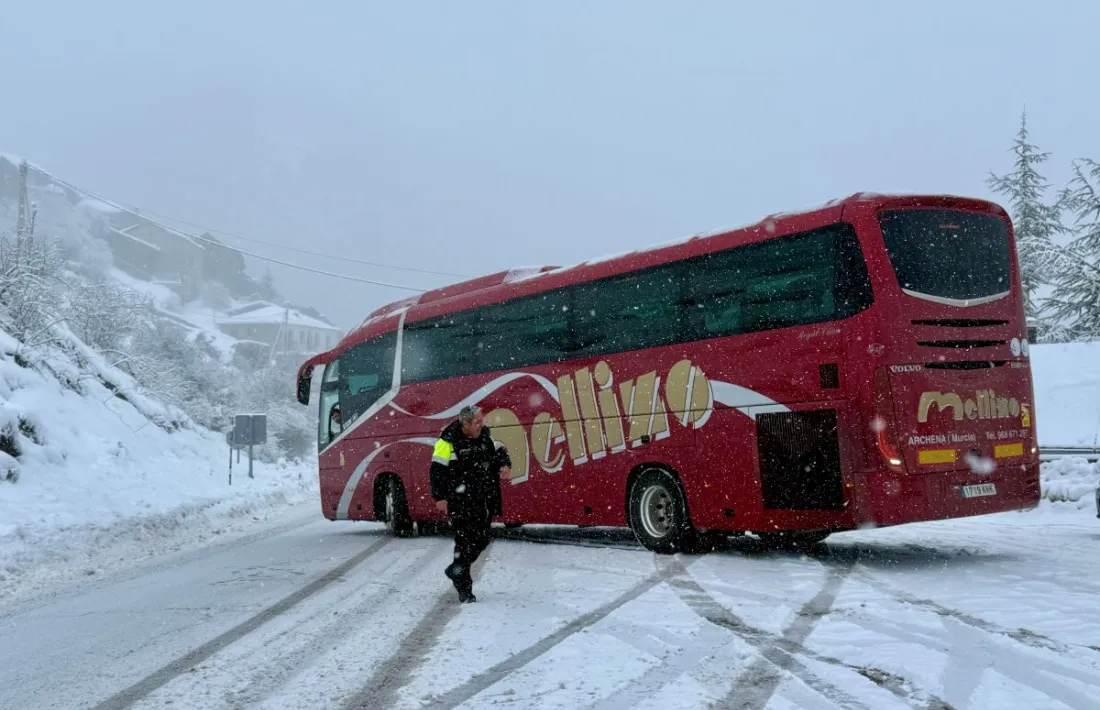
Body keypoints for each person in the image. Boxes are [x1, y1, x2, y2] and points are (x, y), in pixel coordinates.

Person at [429, 405, 511, 603]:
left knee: (482, 540)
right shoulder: (446, 442)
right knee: (464, 542)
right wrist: (440, 497)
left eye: (481, 421)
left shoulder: (485, 437)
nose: (481, 425)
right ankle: (465, 589)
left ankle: (455, 569)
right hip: (460, 501)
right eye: (477, 422)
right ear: (464, 424)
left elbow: (500, 451)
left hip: (483, 499)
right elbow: (436, 471)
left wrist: (505, 465)